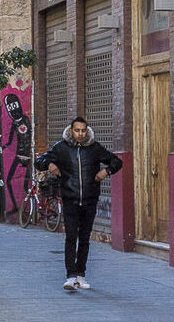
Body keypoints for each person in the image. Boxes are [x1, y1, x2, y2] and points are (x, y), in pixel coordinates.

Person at [35, 116, 123, 292]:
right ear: (71, 131)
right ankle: (70, 276)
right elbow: (39, 162)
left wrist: (106, 171)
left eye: (83, 130)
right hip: (70, 199)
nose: (80, 134)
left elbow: (117, 162)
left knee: (84, 238)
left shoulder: (94, 148)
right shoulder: (61, 148)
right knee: (71, 237)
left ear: (87, 131)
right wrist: (50, 164)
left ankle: (81, 275)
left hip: (90, 200)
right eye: (77, 130)